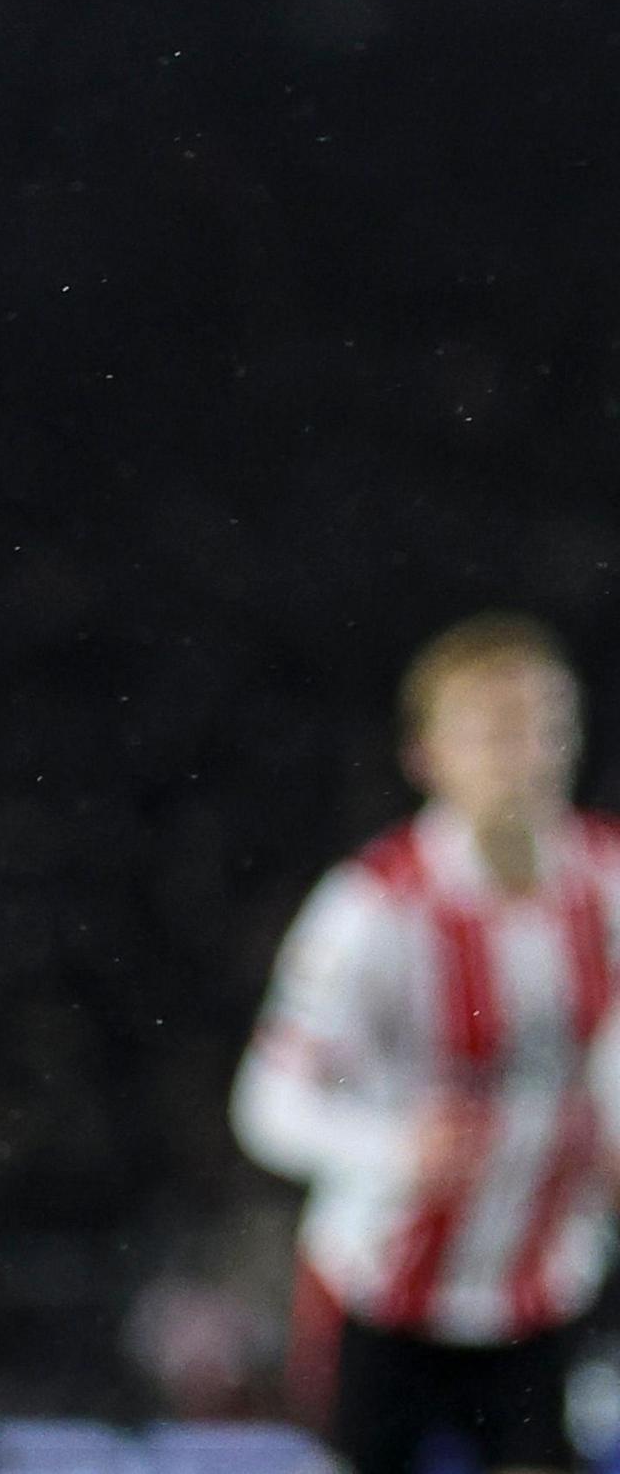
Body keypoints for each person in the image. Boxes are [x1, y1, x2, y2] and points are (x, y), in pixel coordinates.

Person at [235, 613, 616, 1474]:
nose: (528, 754)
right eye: (495, 731)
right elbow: (267, 1104)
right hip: (383, 1294)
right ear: (428, 755)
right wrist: (394, 1148)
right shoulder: (371, 910)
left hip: (540, 1288)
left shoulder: (608, 882)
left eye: (548, 725)